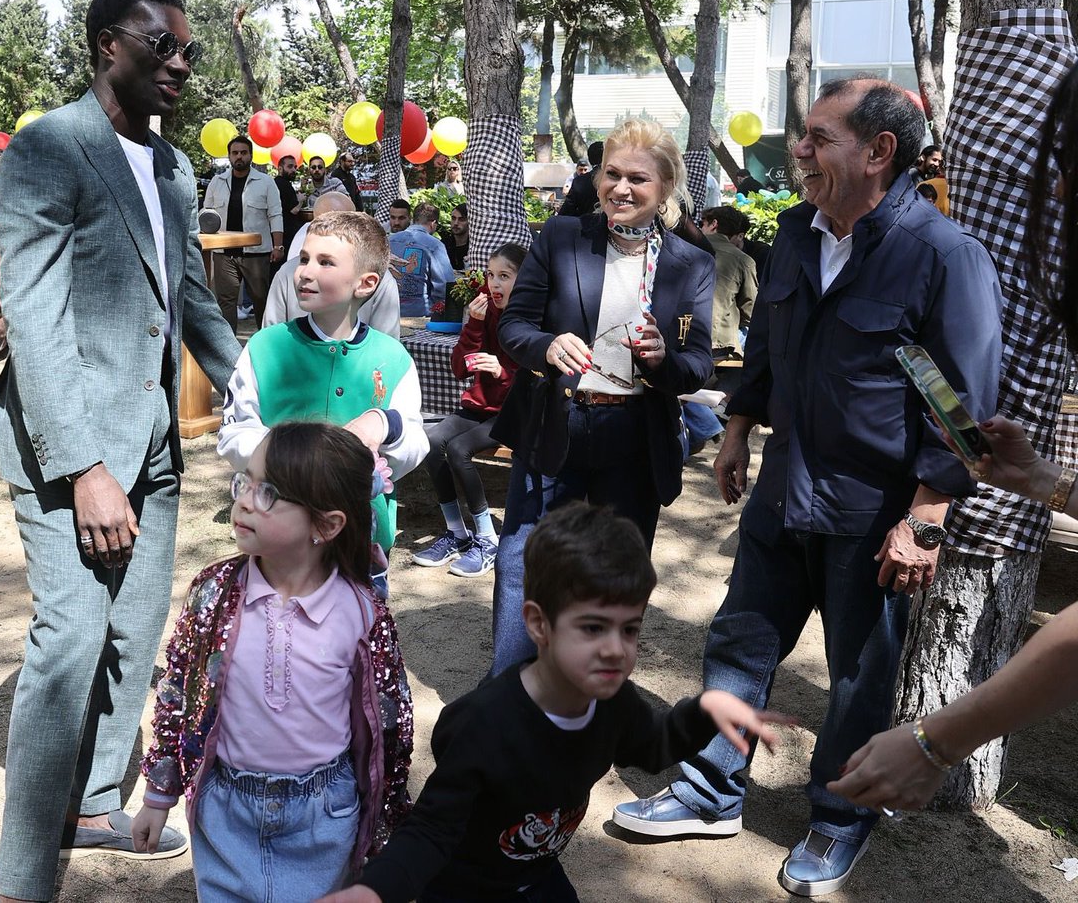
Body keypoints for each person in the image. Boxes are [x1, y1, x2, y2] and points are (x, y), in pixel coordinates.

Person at [610, 78, 1004, 898]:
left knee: (859, 674)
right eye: (803, 135)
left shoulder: (939, 255)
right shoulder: (793, 232)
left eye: (819, 138)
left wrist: (926, 516)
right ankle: (712, 789)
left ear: (878, 151)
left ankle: (841, 815)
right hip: (784, 487)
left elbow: (962, 403)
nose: (799, 149)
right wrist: (740, 429)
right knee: (739, 641)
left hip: (872, 511)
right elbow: (766, 343)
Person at [0, 0, 242, 903]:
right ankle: (17, 880)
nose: (178, 61)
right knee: (72, 638)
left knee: (138, 626)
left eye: (187, 50)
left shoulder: (171, 169)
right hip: (67, 440)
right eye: (158, 43)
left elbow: (192, 298)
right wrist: (84, 466)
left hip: (155, 439)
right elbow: (32, 314)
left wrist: (252, 387)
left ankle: (92, 801)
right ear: (105, 47)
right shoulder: (50, 146)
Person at [828, 60, 1078, 815]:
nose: (1059, 194)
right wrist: (1047, 483)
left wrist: (937, 739)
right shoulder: (811, 242)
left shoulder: (948, 253)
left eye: (1070, 165)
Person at [318, 502, 788, 903]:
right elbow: (431, 829)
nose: (615, 649)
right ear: (538, 624)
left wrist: (706, 710)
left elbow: (654, 746)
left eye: (630, 629)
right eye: (592, 627)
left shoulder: (613, 702)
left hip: (538, 877)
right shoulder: (485, 724)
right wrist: (374, 890)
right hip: (465, 889)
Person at [131, 422, 414, 898]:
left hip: (323, 821)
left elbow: (390, 727)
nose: (243, 500)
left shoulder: (362, 613)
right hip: (225, 813)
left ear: (326, 525)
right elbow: (179, 694)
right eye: (245, 481)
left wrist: (386, 822)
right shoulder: (214, 593)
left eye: (270, 493)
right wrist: (160, 792)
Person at [489, 117, 715, 674]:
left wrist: (665, 361)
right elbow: (512, 327)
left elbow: (699, 365)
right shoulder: (563, 236)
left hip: (634, 435)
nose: (620, 188)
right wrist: (546, 344)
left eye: (637, 178)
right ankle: (510, 687)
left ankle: (592, 688)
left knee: (617, 568)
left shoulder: (691, 264)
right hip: (555, 422)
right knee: (525, 559)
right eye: (610, 174)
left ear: (665, 186)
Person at [217, 211, 429, 586]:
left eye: (325, 262)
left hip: (362, 543)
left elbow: (414, 444)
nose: (305, 271)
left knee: (358, 638)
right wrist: (299, 461)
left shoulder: (393, 358)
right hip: (278, 542)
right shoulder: (266, 348)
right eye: (304, 258)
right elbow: (234, 434)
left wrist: (384, 424)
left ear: (365, 283)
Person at [412, 243, 526, 578]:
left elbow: (533, 381)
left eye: (504, 276)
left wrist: (502, 371)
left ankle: (488, 539)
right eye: (491, 275)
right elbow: (460, 368)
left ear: (524, 279)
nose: (494, 283)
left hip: (515, 412)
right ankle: (457, 533)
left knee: (459, 449)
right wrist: (474, 324)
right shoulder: (486, 310)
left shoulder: (531, 316)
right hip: (482, 405)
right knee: (431, 443)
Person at [263, 194, 401, 338]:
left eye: (327, 263)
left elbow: (386, 343)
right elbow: (271, 336)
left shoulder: (381, 280)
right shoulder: (287, 273)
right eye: (304, 260)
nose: (306, 274)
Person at [203, 134, 286, 332]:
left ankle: (265, 343)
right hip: (224, 254)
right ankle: (227, 350)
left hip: (256, 254)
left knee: (260, 300)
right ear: (229, 156)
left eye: (243, 153)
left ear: (250, 155)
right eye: (235, 153)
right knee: (225, 302)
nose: (239, 157)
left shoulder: (265, 182)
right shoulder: (217, 181)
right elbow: (206, 214)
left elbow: (275, 215)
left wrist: (278, 246)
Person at [699, 205, 758, 358]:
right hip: (718, 342)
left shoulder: (683, 247)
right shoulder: (744, 260)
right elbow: (750, 311)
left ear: (714, 224)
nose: (700, 229)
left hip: (679, 336)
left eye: (702, 224)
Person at [387, 203, 454, 317]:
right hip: (420, 313)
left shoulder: (389, 241)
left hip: (388, 310)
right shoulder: (435, 245)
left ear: (413, 219)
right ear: (433, 223)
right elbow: (445, 286)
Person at [558, 141, 603, 218]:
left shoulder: (580, 181)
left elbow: (566, 211)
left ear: (590, 160)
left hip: (584, 226)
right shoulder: (618, 180)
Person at [441, 203, 469, 271]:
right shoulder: (443, 244)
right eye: (453, 218)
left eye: (461, 219)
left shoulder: (474, 247)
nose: (456, 223)